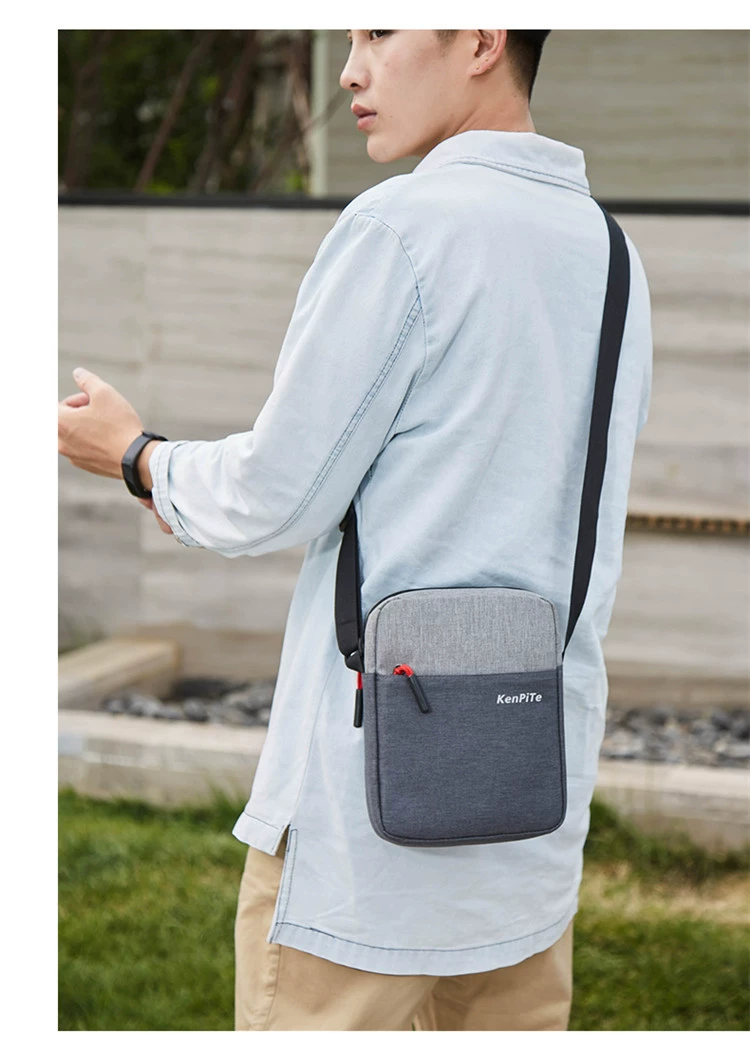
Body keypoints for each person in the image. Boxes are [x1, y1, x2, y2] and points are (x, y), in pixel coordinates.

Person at [58, 29, 653, 1031]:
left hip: (365, 842)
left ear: (480, 36)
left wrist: (136, 455)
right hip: (528, 810)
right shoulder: (610, 253)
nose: (349, 70)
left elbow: (274, 494)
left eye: (378, 30)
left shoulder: (402, 227)